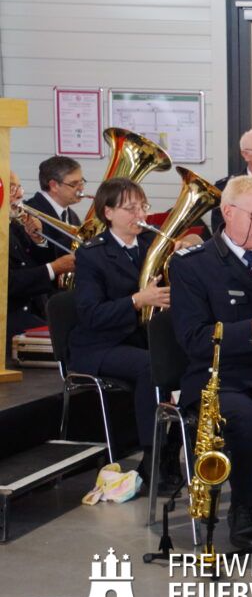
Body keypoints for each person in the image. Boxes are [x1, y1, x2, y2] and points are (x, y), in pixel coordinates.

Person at [170, 176, 252, 551]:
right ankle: (242, 512)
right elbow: (194, 339)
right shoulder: (193, 265)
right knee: (247, 420)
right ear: (227, 212)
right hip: (218, 379)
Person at [69, 177, 180, 494]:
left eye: (143, 206)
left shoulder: (149, 245)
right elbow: (91, 314)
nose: (140, 215)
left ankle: (173, 452)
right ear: (108, 213)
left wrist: (186, 254)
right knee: (151, 366)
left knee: (191, 359)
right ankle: (152, 459)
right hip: (98, 345)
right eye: (130, 209)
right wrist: (137, 301)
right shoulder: (92, 255)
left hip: (138, 340)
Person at [7, 171, 76, 337]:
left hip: (37, 310)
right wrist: (54, 268)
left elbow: (34, 262)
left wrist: (39, 240)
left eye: (19, 187)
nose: (20, 194)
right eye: (12, 189)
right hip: (11, 318)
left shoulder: (16, 224)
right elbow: (9, 283)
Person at [26, 155, 85, 254]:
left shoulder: (72, 216)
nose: (81, 188)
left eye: (82, 182)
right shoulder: (29, 213)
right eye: (74, 184)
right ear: (54, 186)